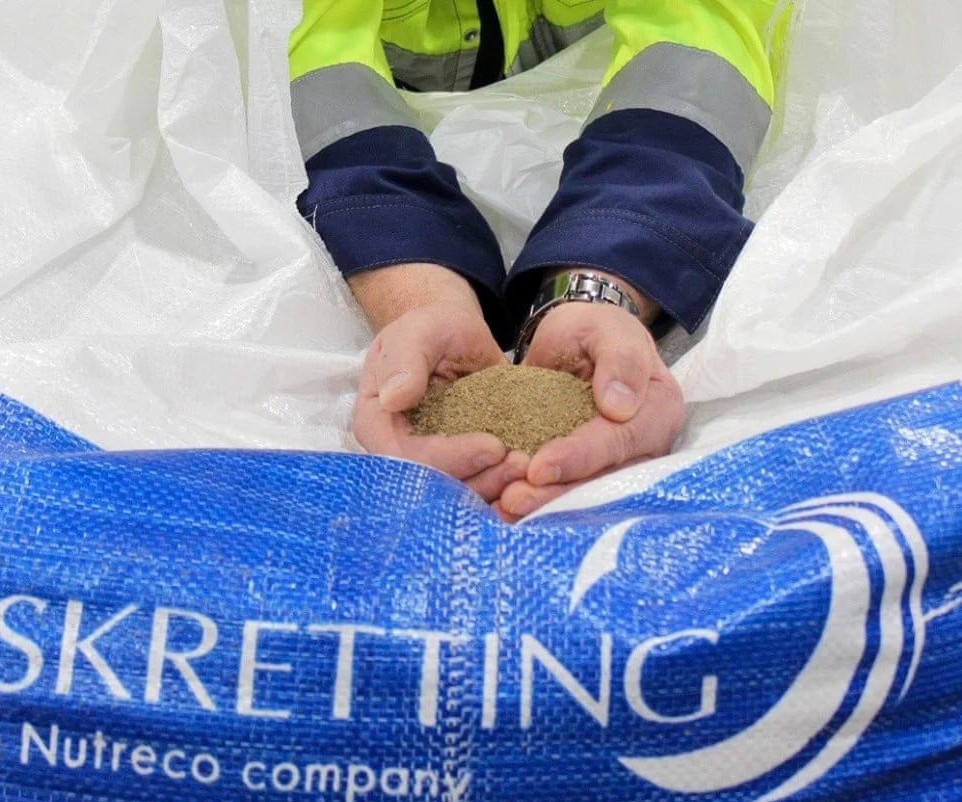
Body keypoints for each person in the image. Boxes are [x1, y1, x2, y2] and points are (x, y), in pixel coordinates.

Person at [288, 1, 787, 519]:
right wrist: (421, 303)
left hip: (634, 145)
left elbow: (700, 48)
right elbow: (304, 74)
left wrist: (596, 286)